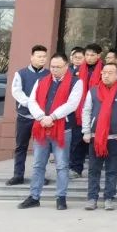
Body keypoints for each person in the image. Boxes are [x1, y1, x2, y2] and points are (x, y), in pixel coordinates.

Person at [17, 53, 83, 210]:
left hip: (62, 129)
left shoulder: (76, 82)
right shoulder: (41, 80)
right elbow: (32, 100)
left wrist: (52, 117)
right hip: (41, 128)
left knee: (62, 165)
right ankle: (34, 196)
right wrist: (41, 117)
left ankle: (61, 197)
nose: (54, 70)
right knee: (38, 165)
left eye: (58, 67)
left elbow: (72, 104)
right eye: (52, 66)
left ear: (66, 66)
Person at [80, 63, 117, 211]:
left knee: (112, 170)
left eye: (110, 72)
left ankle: (109, 198)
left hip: (114, 137)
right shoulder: (93, 91)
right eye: (104, 72)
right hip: (95, 137)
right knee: (93, 170)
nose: (106, 75)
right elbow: (86, 111)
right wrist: (86, 131)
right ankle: (92, 198)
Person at [7, 45, 49, 186]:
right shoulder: (21, 73)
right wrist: (31, 104)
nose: (42, 59)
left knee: (42, 148)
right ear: (32, 57)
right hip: (24, 116)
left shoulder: (49, 74)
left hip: (42, 118)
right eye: (39, 56)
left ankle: (40, 176)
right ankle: (18, 175)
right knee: (21, 146)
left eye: (44, 56)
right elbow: (16, 92)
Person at [70, 43, 102, 179]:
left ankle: (95, 171)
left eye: (92, 55)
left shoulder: (104, 70)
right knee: (77, 141)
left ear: (99, 56)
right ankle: (75, 168)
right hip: (79, 110)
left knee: (96, 142)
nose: (89, 57)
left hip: (98, 109)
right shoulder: (76, 70)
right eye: (87, 55)